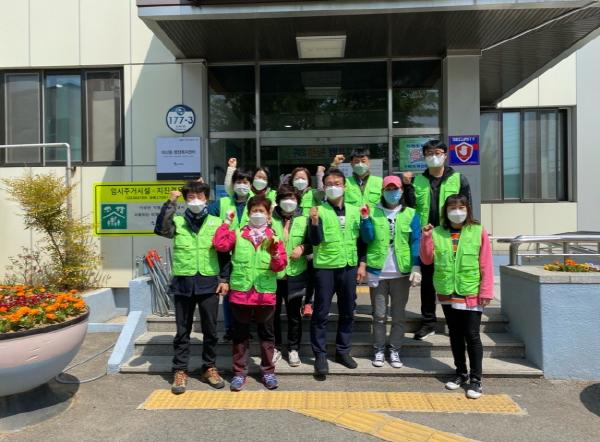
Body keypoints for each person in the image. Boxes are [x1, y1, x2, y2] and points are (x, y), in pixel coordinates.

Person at [154, 180, 229, 394]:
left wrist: (224, 279)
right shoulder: (177, 221)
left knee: (210, 330)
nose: (195, 201)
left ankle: (209, 367)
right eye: (191, 197)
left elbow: (224, 252)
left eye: (200, 197)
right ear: (185, 200)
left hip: (208, 282)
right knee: (182, 330)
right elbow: (161, 229)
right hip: (183, 283)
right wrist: (171, 202)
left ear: (207, 199)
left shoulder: (216, 222)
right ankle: (180, 370)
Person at [419, 194, 493, 399]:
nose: (457, 212)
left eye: (461, 208)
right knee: (455, 334)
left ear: (468, 210)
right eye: (452, 208)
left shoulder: (477, 231)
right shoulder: (437, 232)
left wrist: (486, 291)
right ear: (446, 211)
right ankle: (461, 372)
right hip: (447, 291)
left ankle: (476, 379)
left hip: (471, 290)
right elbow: (426, 259)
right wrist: (426, 237)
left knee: (472, 335)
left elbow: (486, 263)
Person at [213, 195, 287, 391]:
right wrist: (226, 223)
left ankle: (268, 371)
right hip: (241, 293)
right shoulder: (238, 234)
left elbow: (280, 267)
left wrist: (275, 255)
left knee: (267, 336)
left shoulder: (274, 237)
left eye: (261, 211)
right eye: (254, 210)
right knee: (240, 336)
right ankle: (239, 373)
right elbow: (220, 245)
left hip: (265, 294)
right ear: (248, 213)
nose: (257, 214)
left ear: (268, 215)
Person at [308, 168, 371, 378]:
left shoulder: (355, 210)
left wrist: (362, 264)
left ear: (345, 186)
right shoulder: (318, 210)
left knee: (347, 311)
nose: (333, 187)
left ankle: (343, 351)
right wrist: (314, 222)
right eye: (329, 184)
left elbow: (362, 241)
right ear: (324, 187)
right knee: (321, 313)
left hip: (349, 266)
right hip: (325, 268)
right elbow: (314, 241)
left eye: (337, 183)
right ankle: (320, 355)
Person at [412, 140, 472, 341]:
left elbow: (467, 208)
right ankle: (428, 322)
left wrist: (465, 236)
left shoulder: (459, 179)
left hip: (451, 236)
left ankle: (456, 321)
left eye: (437, 152)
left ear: (445, 155)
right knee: (428, 282)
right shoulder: (418, 181)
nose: (433, 156)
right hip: (427, 237)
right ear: (424, 156)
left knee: (453, 277)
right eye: (429, 153)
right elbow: (411, 210)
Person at [362, 176, 422, 368]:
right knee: (379, 315)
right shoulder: (373, 211)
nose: (391, 192)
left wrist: (416, 266)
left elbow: (416, 241)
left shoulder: (411, 213)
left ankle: (394, 350)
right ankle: (379, 349)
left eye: (395, 188)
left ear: (401, 190)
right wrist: (365, 220)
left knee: (398, 316)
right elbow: (367, 238)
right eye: (388, 189)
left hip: (401, 273)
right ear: (382, 191)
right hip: (377, 272)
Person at [209, 167, 255, 343]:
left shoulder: (257, 202)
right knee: (229, 293)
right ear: (233, 184)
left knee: (248, 291)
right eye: (239, 182)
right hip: (227, 254)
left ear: (251, 184)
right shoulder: (222, 203)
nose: (242, 185)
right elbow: (207, 218)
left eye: (245, 182)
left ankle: (246, 328)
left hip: (250, 254)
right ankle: (230, 328)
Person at [271, 186, 311, 367]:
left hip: (296, 274)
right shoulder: (270, 219)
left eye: (293, 198)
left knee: (294, 315)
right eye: (285, 198)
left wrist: (303, 248)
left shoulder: (305, 219)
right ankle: (276, 347)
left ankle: (294, 348)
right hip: (273, 274)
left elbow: (313, 242)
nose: (289, 201)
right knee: (273, 315)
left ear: (298, 201)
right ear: (279, 200)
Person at [289, 166, 326, 317]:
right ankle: (295, 301)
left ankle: (308, 302)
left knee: (311, 273)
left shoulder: (313, 194)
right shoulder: (288, 195)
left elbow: (323, 192)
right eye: (297, 178)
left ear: (308, 181)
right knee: (296, 272)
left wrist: (320, 174)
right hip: (294, 238)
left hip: (309, 237)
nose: (300, 181)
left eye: (303, 178)